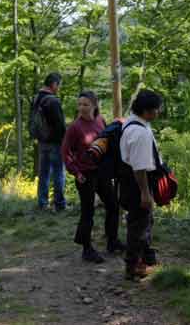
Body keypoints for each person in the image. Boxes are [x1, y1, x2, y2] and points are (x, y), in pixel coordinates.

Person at [62, 91, 125, 263]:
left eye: (86, 104)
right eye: (79, 104)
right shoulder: (74, 127)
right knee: (87, 211)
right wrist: (76, 172)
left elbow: (105, 142)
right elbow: (65, 153)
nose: (82, 108)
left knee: (113, 205)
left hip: (101, 172)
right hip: (85, 175)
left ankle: (112, 241)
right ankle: (87, 249)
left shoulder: (100, 120)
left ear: (94, 105)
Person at [119, 90, 165, 280]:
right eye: (156, 109)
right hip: (138, 183)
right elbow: (139, 167)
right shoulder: (139, 133)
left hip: (132, 181)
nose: (159, 113)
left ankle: (144, 258)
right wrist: (145, 193)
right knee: (138, 225)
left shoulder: (133, 122)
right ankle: (133, 266)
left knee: (143, 222)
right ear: (147, 111)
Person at [32, 73, 68, 211]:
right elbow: (59, 125)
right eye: (59, 85)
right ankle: (59, 204)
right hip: (55, 142)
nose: (59, 88)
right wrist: (66, 141)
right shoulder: (53, 101)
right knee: (58, 173)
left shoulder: (36, 98)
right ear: (54, 84)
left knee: (44, 173)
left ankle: (42, 203)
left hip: (41, 141)